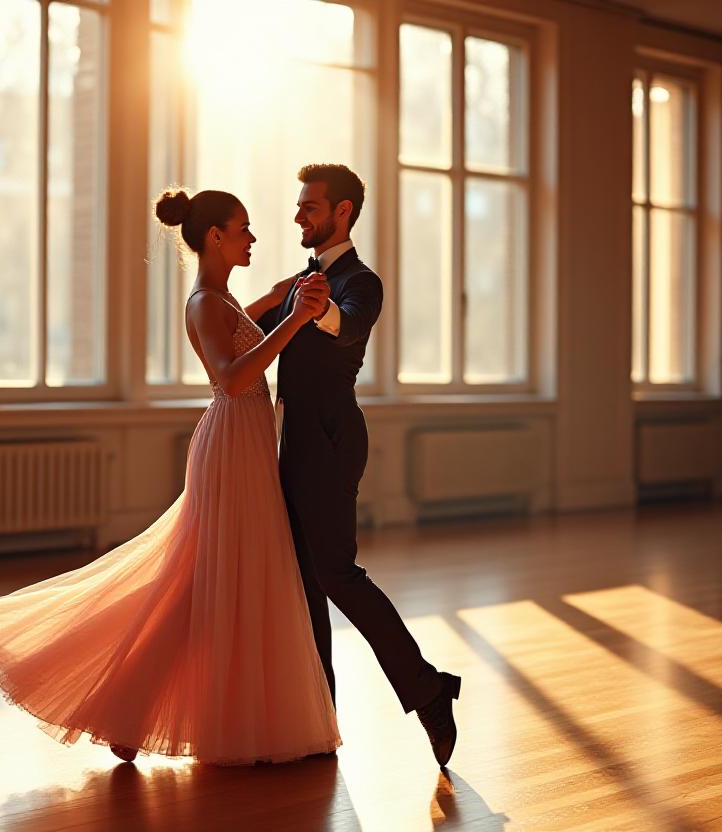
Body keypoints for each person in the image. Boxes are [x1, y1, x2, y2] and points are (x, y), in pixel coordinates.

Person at [0, 188, 340, 765]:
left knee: (207, 584)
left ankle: (135, 712)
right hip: (230, 448)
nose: (252, 238)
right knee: (195, 583)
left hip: (246, 446)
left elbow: (255, 316)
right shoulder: (203, 303)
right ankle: (124, 707)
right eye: (243, 229)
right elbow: (234, 378)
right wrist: (295, 318)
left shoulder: (224, 299)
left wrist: (287, 295)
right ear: (214, 237)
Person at [255, 163, 463, 772]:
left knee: (337, 575)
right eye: (299, 205)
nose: (298, 215)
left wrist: (310, 307)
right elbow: (249, 339)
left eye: (310, 207)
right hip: (291, 442)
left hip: (331, 439)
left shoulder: (359, 282)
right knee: (305, 585)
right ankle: (320, 720)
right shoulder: (302, 279)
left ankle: (427, 691)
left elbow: (346, 329)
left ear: (342, 212)